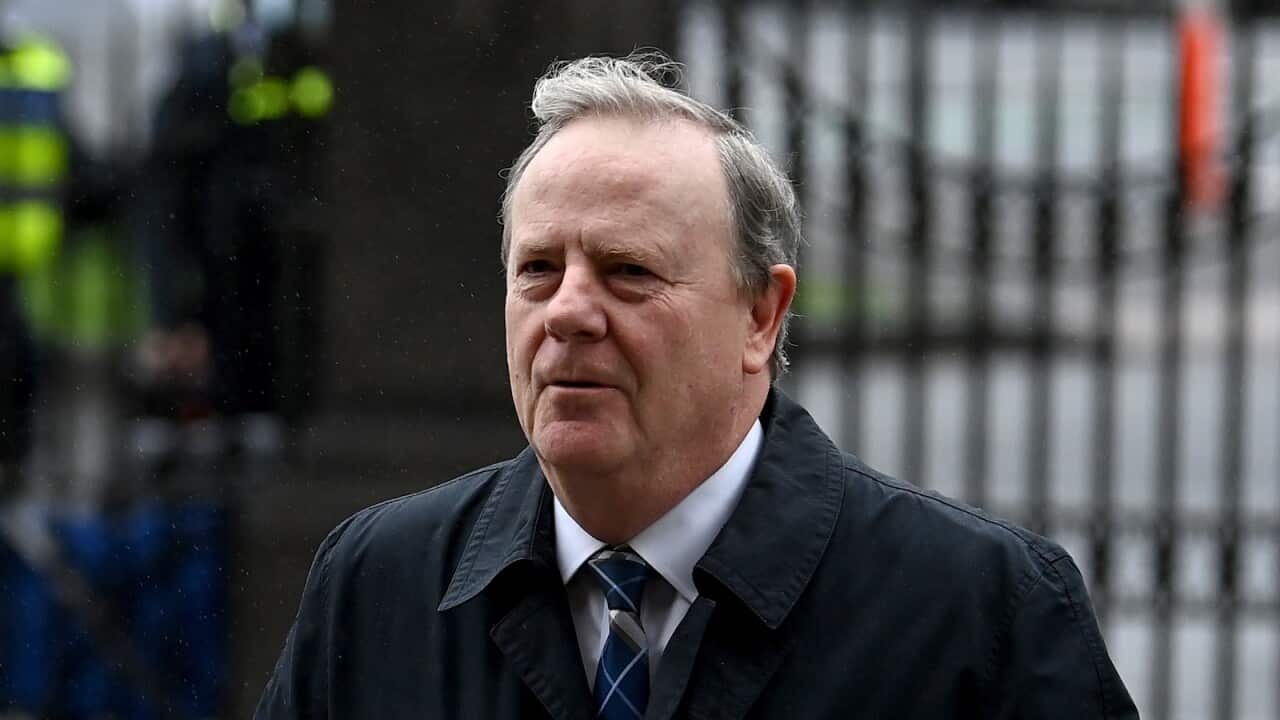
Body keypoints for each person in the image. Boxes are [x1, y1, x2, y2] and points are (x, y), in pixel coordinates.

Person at [256, 52, 1138, 719]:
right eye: (537, 270)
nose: (568, 312)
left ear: (761, 315)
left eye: (628, 270)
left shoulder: (980, 613)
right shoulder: (379, 587)